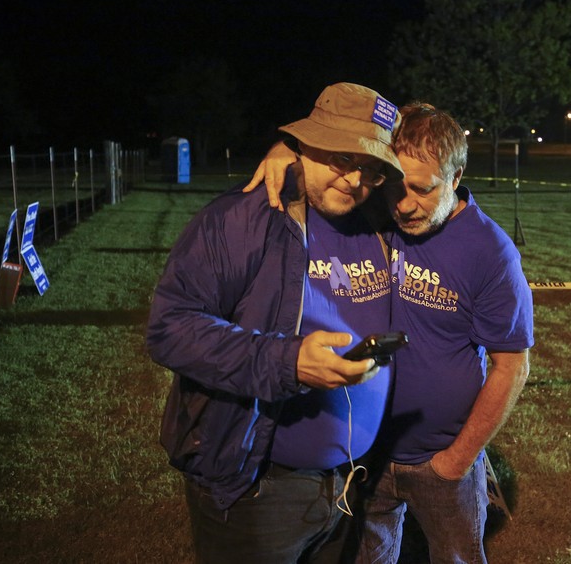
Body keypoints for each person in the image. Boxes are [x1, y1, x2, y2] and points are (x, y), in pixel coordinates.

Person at [247, 103, 533, 564]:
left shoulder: (491, 252)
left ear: (456, 178)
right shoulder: (381, 215)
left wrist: (457, 460)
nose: (404, 204)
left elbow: (512, 366)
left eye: (423, 189)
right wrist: (287, 150)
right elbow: (342, 150)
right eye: (396, 186)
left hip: (443, 461)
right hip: (369, 452)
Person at [146, 82, 405, 564]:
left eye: (370, 168)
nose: (354, 181)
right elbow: (169, 327)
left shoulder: (378, 221)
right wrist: (287, 363)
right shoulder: (242, 218)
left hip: (351, 486)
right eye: (342, 159)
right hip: (259, 492)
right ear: (306, 142)